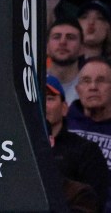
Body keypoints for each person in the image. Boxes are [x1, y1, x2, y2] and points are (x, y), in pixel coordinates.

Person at [47, 75, 108, 212]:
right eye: (38, 99)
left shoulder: (86, 150)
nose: (43, 104)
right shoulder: (20, 151)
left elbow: (96, 203)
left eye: (50, 98)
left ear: (64, 108)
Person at [67, 57, 111, 209]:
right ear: (77, 89)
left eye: (101, 80)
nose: (93, 86)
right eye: (86, 80)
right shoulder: (63, 124)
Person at [49, 18, 86, 105]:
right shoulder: (35, 84)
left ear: (82, 48)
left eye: (70, 37)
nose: (62, 42)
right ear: (46, 47)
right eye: (56, 37)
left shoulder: (89, 87)